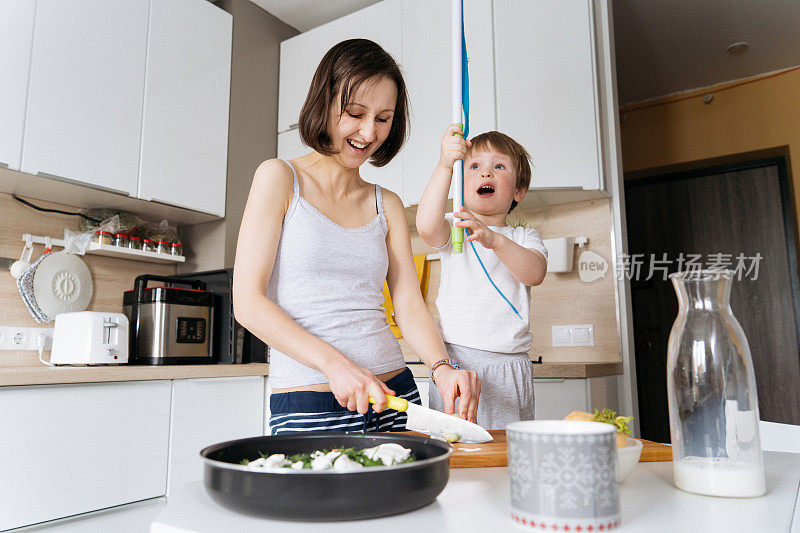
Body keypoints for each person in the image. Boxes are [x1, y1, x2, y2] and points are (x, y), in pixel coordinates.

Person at [233, 39, 480, 434]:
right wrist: (336, 364)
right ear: (324, 103)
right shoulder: (280, 178)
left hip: (394, 394)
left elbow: (408, 305)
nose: (369, 132)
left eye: (383, 118)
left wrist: (441, 367)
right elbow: (247, 302)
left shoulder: (388, 203)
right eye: (355, 113)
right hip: (309, 399)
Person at [415, 125, 548, 430]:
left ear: (518, 190)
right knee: (454, 448)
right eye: (474, 167)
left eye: (499, 166)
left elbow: (535, 272)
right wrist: (445, 165)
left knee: (506, 452)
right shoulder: (454, 227)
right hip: (455, 364)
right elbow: (425, 226)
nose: (486, 174)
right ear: (461, 183)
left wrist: (493, 239)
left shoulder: (524, 236)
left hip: (507, 365)